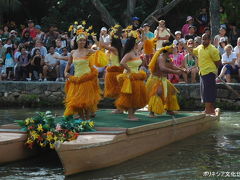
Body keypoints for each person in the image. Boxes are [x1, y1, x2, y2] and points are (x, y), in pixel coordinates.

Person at [63, 31, 101, 120]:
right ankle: (82, 118)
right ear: (77, 41)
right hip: (76, 79)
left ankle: (87, 118)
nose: (82, 42)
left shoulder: (88, 51)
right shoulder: (73, 52)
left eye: (84, 40)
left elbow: (100, 52)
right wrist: (65, 72)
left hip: (87, 79)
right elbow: (69, 63)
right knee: (77, 101)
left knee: (86, 101)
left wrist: (96, 41)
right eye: (80, 40)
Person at [115, 36, 147, 121]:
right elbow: (122, 62)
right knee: (131, 96)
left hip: (136, 76)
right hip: (129, 77)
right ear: (133, 44)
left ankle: (132, 114)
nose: (138, 44)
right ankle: (130, 115)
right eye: (136, 43)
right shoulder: (129, 54)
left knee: (138, 95)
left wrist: (143, 32)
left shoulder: (136, 51)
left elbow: (143, 40)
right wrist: (129, 69)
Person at [146, 43, 182, 117]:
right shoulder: (161, 58)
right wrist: (175, 72)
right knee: (158, 93)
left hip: (164, 79)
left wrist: (182, 69)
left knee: (172, 91)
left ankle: (169, 109)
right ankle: (151, 112)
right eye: (172, 47)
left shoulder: (168, 58)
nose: (174, 49)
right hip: (156, 79)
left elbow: (172, 66)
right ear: (168, 49)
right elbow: (162, 68)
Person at [188, 33, 220, 115]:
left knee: (208, 92)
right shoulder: (199, 47)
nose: (204, 40)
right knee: (204, 92)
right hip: (202, 72)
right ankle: (210, 109)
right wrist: (186, 46)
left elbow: (217, 62)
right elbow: (192, 52)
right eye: (203, 39)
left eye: (205, 39)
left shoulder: (213, 49)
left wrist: (212, 69)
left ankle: (208, 110)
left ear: (210, 40)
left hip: (209, 72)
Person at [100, 30, 124, 113]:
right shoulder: (116, 49)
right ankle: (120, 107)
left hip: (115, 71)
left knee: (117, 91)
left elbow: (102, 45)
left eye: (111, 39)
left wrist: (101, 35)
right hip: (115, 71)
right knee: (117, 91)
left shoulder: (114, 49)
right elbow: (101, 46)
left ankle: (119, 108)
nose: (109, 40)